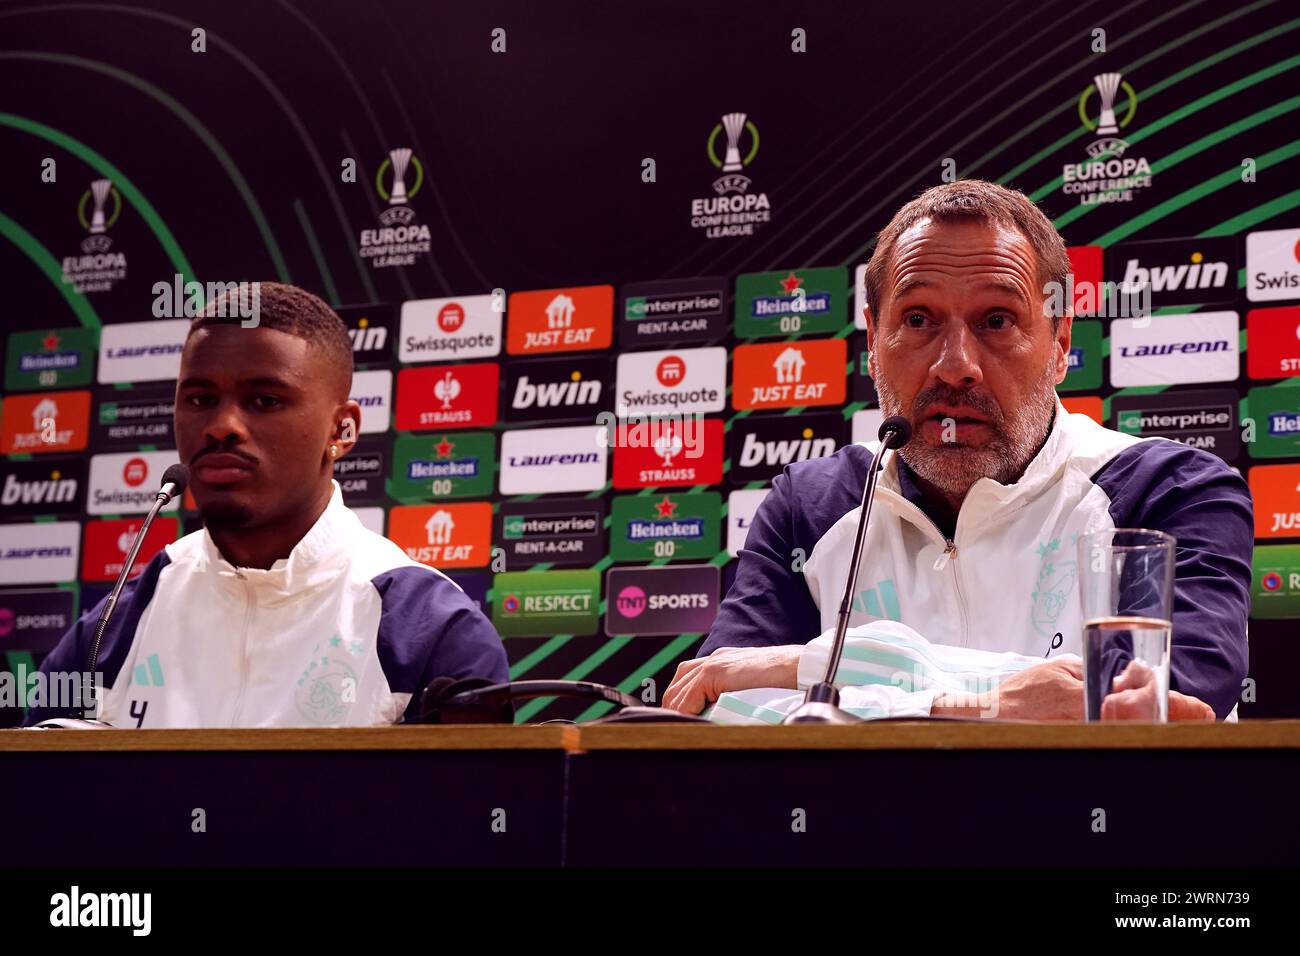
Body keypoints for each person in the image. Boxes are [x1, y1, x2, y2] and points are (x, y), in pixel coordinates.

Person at [665, 180, 1251, 722]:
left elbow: (1156, 709)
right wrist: (997, 704)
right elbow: (722, 705)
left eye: (996, 320)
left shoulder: (1167, 490)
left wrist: (810, 673)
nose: (956, 366)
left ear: (1060, 344)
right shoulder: (811, 504)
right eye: (919, 319)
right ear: (872, 342)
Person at [26, 283, 507, 727]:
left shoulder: (432, 630)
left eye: (264, 400)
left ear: (342, 430)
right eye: (199, 399)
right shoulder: (112, 628)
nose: (221, 426)